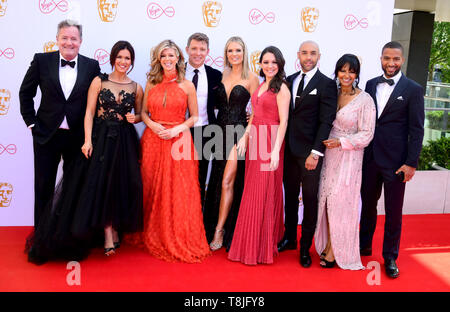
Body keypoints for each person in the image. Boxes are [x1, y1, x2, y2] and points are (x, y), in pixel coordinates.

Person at [26, 40, 144, 263]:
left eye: (127, 58)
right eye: (119, 57)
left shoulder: (136, 87)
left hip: (124, 141)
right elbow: (89, 113)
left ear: (132, 62)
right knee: (99, 185)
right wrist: (87, 140)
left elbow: (140, 114)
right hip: (99, 139)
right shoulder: (99, 81)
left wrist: (134, 118)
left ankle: (114, 229)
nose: (123, 61)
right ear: (112, 59)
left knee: (121, 184)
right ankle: (107, 233)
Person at [125, 40, 211, 263]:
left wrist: (178, 129)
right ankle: (150, 231)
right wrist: (152, 125)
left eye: (171, 55)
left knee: (177, 191)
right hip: (153, 141)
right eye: (163, 56)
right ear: (158, 59)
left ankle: (174, 235)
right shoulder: (151, 83)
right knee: (151, 187)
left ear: (178, 58)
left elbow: (195, 117)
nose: (167, 59)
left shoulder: (186, 85)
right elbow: (143, 113)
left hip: (178, 142)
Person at [19, 20, 101, 228]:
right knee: (44, 188)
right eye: (64, 37)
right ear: (57, 39)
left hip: (77, 139)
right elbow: (25, 93)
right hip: (46, 135)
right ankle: (41, 239)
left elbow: (98, 100)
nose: (69, 42)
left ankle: (68, 237)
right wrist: (31, 123)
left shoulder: (92, 66)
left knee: (74, 189)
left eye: (73, 38)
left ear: (81, 41)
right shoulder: (41, 61)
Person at [360, 41, 424, 278]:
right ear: (381, 58)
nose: (391, 63)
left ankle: (390, 257)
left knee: (393, 211)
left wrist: (411, 163)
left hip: (397, 162)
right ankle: (363, 245)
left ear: (402, 60)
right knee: (367, 205)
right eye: (387, 58)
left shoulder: (413, 89)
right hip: (370, 158)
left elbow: (417, 130)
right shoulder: (370, 84)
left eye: (395, 59)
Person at [228, 46, 290, 265]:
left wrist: (275, 151)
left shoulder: (281, 88)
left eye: (273, 62)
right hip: (255, 139)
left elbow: (283, 121)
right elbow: (254, 114)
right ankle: (249, 242)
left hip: (270, 141)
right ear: (260, 64)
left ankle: (260, 246)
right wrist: (245, 136)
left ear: (280, 64)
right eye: (265, 62)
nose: (269, 66)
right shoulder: (262, 85)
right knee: (252, 190)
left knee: (263, 191)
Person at [278, 41, 337, 268]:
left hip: (310, 154)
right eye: (305, 53)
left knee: (310, 201)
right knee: (290, 198)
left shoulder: (326, 84)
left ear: (319, 56)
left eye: (313, 53)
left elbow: (326, 121)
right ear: (298, 55)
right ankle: (290, 238)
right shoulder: (289, 80)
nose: (308, 57)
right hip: (289, 152)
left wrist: (316, 153)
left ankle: (305, 248)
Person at [314, 54, 376, 269]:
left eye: (351, 71)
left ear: (357, 74)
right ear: (337, 72)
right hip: (328, 157)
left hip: (349, 158)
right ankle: (330, 243)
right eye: (343, 70)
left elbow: (367, 134)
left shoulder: (365, 100)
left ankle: (335, 250)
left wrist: (341, 142)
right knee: (328, 202)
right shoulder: (332, 93)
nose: (347, 75)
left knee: (341, 204)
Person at [203, 36, 259, 252]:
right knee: (217, 180)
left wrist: (245, 134)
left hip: (238, 134)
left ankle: (220, 230)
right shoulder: (220, 75)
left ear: (244, 53)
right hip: (218, 132)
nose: (233, 54)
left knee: (228, 180)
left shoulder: (252, 78)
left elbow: (256, 110)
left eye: (237, 50)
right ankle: (213, 225)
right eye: (229, 51)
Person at [185, 33, 222, 206]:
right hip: (180, 132)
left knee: (200, 179)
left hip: (205, 132)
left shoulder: (215, 75)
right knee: (179, 180)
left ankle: (197, 223)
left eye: (202, 49)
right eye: (194, 48)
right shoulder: (176, 72)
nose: (197, 53)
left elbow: (223, 103)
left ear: (208, 52)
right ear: (187, 50)